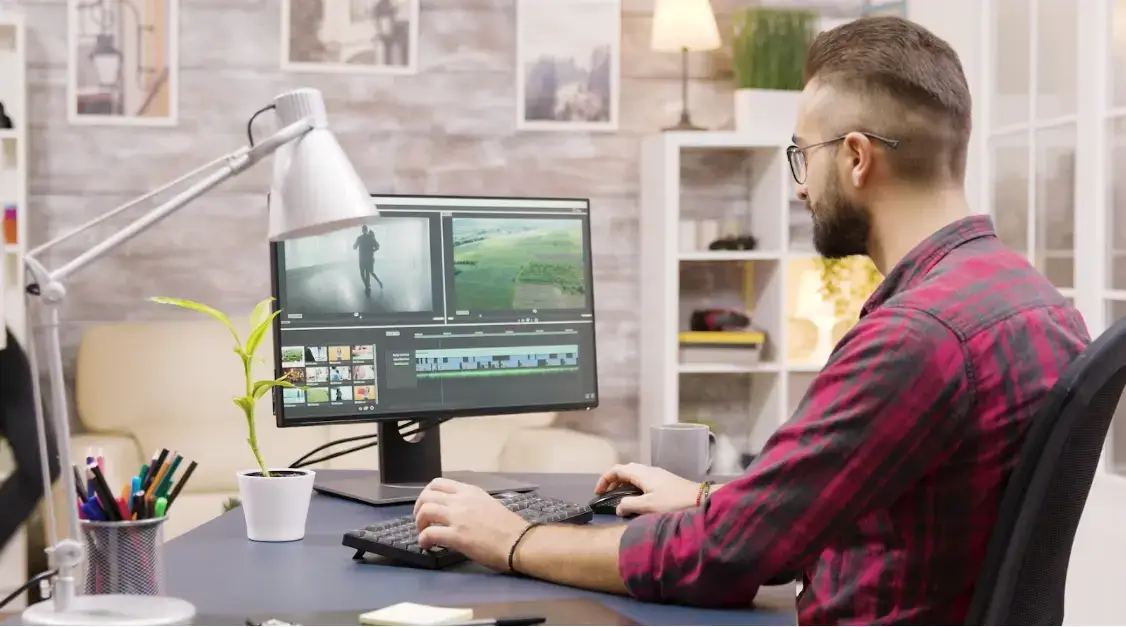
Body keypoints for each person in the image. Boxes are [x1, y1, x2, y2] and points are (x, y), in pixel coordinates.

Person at [409, 16, 1092, 626]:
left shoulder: (916, 338)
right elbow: (870, 489)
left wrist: (511, 538)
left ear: (856, 157)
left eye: (803, 153)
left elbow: (725, 558)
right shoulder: (1036, 302)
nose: (799, 185)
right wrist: (714, 495)